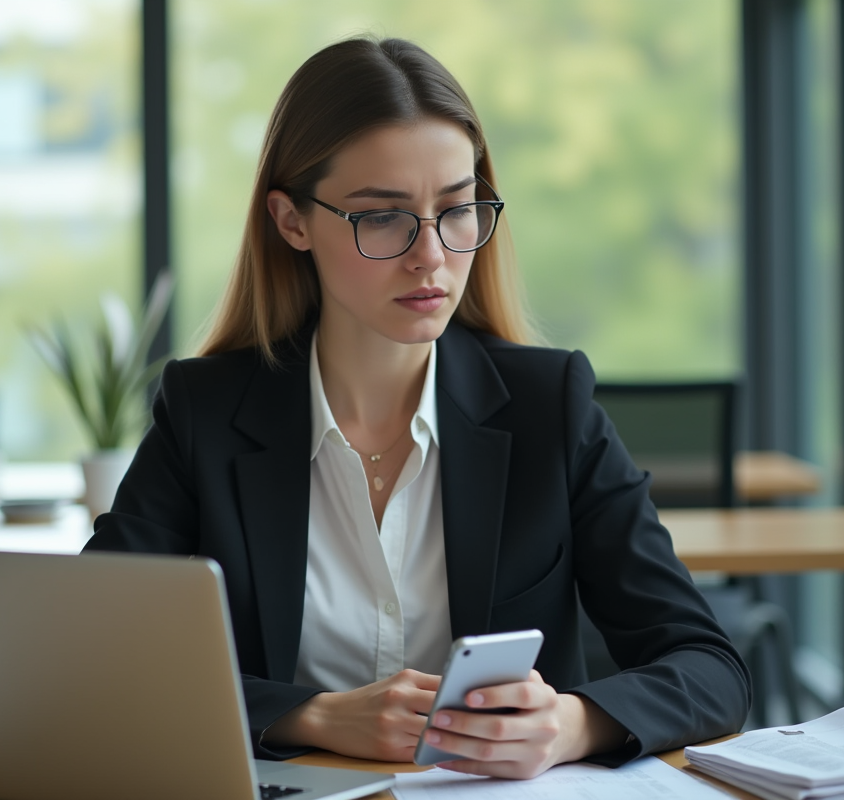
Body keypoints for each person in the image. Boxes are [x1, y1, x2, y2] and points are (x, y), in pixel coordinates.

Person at [84, 36, 750, 779]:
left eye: (457, 211)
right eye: (383, 217)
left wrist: (570, 723)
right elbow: (96, 661)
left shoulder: (549, 406)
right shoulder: (205, 412)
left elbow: (708, 666)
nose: (430, 255)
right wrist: (313, 714)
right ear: (291, 220)